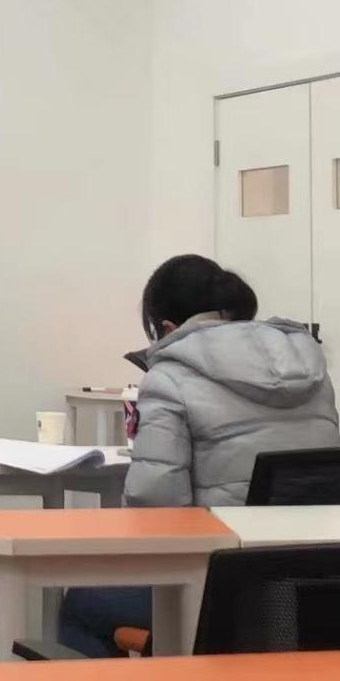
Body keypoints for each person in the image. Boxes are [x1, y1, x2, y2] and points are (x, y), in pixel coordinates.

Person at [58, 254, 339, 657]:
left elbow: (155, 506)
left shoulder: (170, 376)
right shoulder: (311, 370)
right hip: (318, 590)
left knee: (81, 606)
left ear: (167, 328)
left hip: (222, 589)